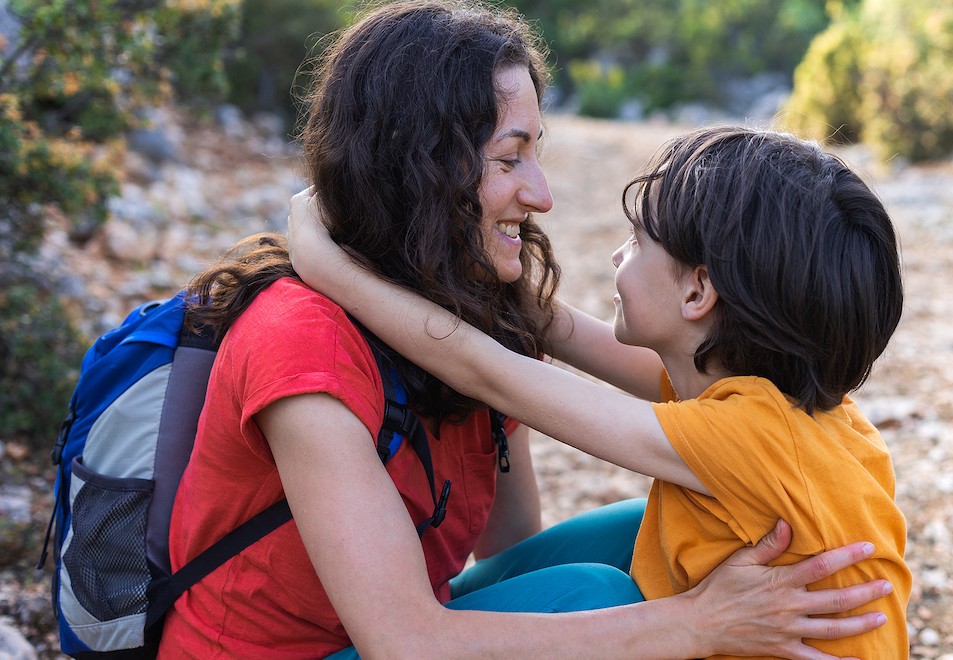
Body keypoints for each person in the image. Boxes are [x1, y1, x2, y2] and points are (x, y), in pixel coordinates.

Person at [163, 1, 891, 658]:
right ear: (422, 169)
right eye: (511, 158)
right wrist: (695, 624)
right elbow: (406, 642)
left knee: (654, 534)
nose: (541, 196)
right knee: (601, 597)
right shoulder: (301, 340)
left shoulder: (480, 313)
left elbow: (507, 540)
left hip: (401, 625)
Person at [286, 125, 912, 658]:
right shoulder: (797, 412)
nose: (617, 255)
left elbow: (490, 371)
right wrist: (454, 251)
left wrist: (329, 266)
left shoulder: (745, 439)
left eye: (638, 242)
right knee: (638, 529)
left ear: (697, 294)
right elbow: (560, 329)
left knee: (600, 593)